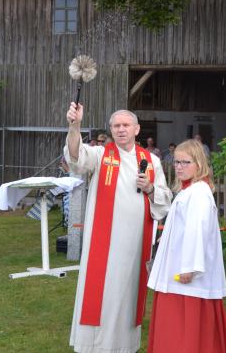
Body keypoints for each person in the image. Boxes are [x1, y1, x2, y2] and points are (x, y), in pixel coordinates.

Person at [65, 104, 171, 353]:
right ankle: (93, 344)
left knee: (127, 293)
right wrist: (75, 125)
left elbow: (165, 199)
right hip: (102, 241)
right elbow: (75, 155)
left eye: (126, 125)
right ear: (111, 130)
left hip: (134, 242)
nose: (121, 129)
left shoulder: (151, 161)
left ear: (137, 129)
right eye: (116, 126)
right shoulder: (101, 154)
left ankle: (124, 345)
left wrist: (150, 188)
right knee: (101, 292)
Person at [146, 139, 226, 352]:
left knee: (184, 325)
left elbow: (197, 231)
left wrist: (190, 268)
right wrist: (167, 236)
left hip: (185, 274)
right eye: (177, 162)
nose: (179, 167)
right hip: (177, 265)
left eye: (185, 162)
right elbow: (184, 225)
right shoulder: (190, 190)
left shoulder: (198, 193)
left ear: (199, 164)